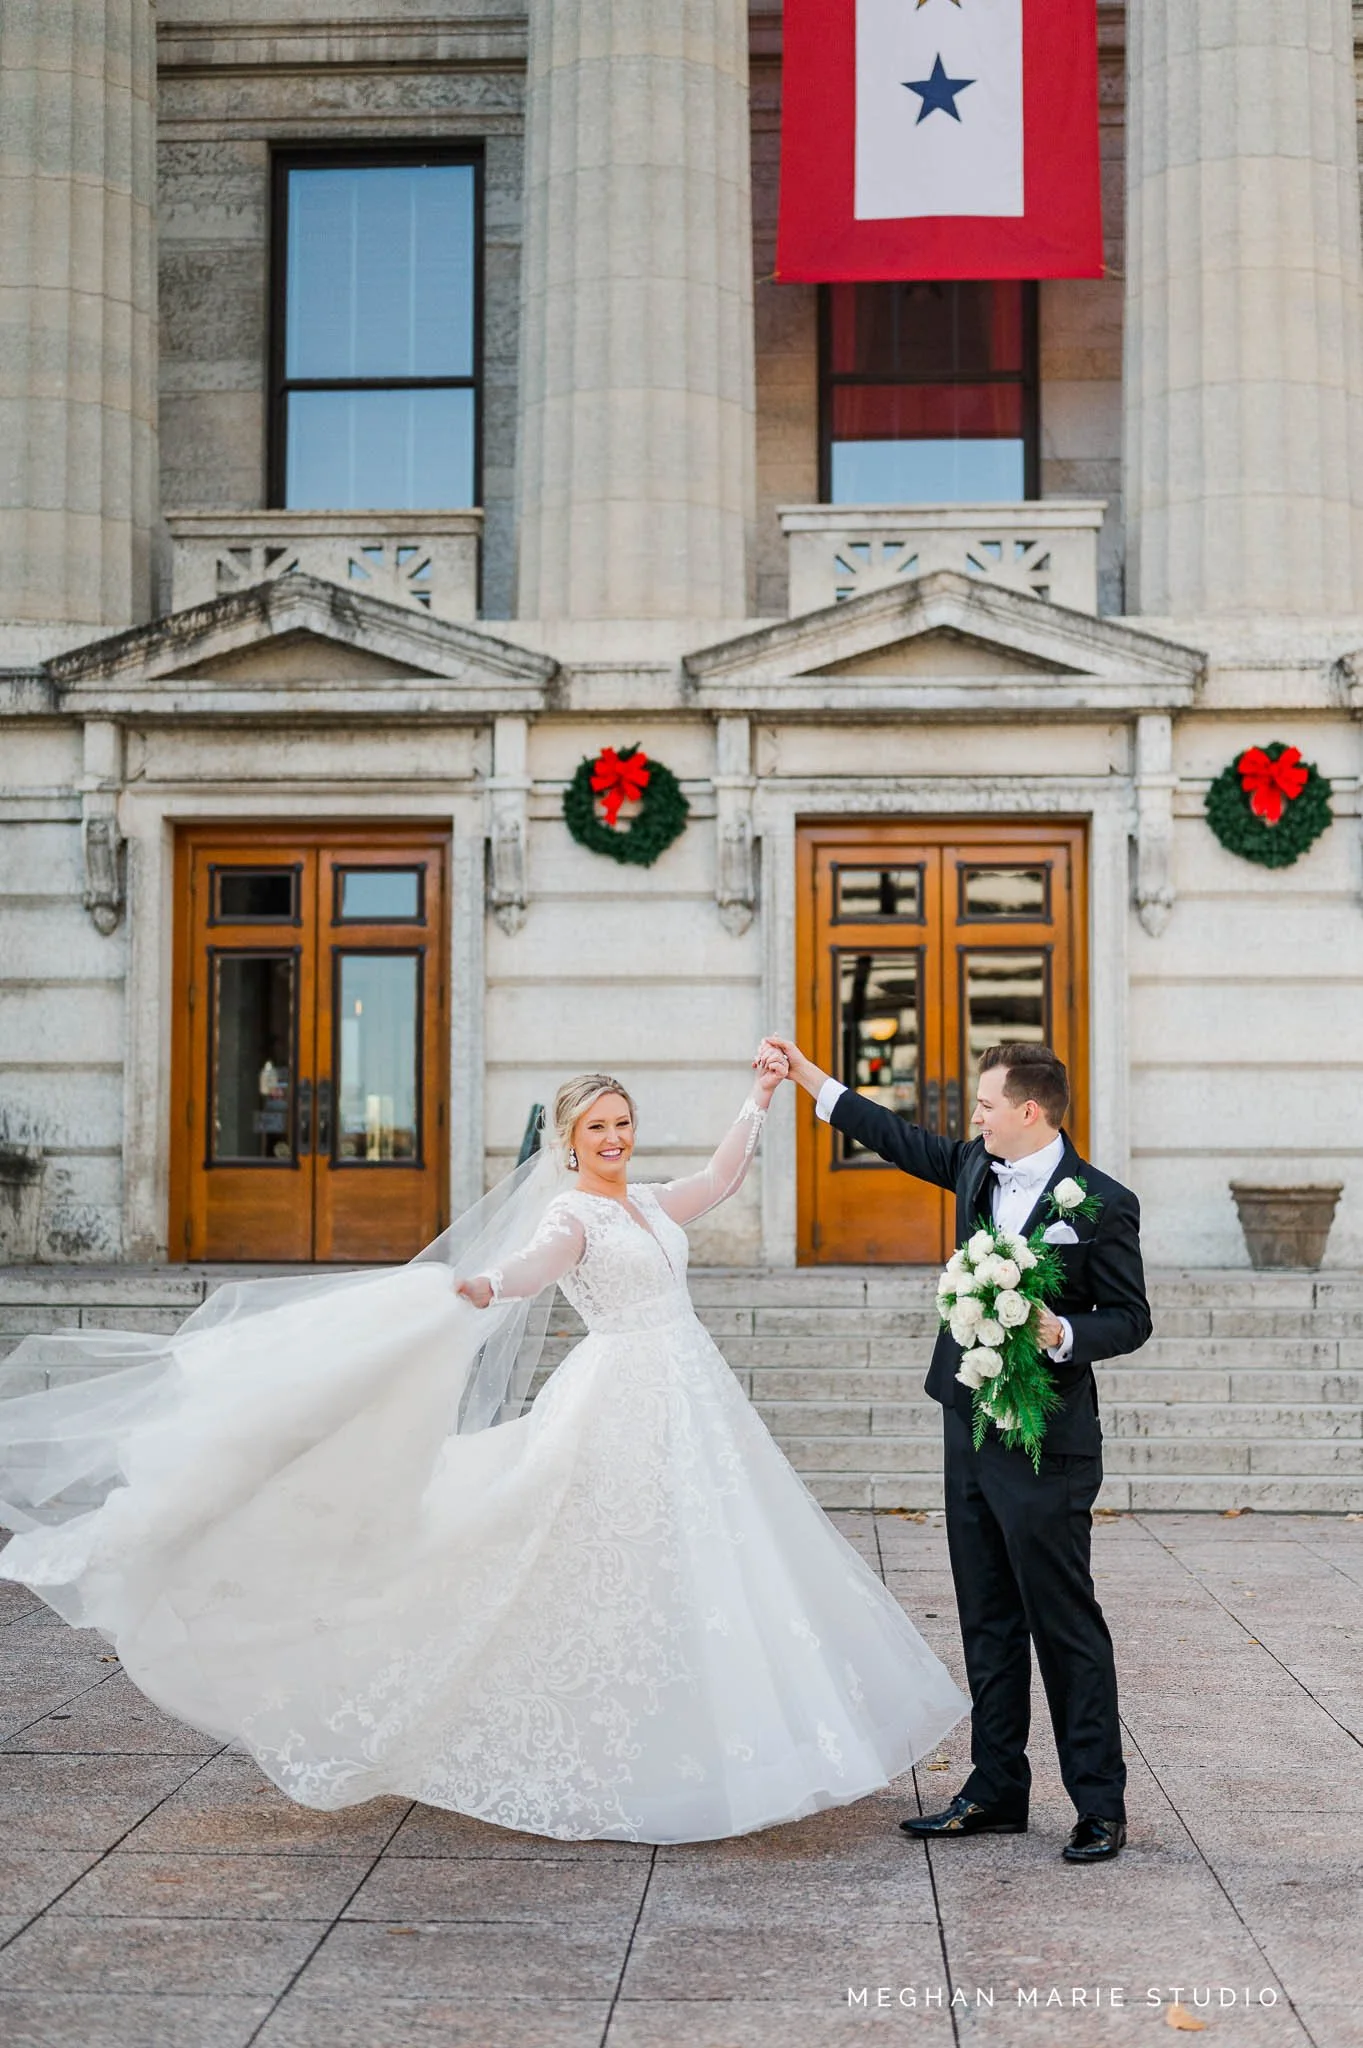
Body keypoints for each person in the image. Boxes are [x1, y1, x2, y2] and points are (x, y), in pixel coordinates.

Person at [0, 1055, 967, 1845]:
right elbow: (538, 1266)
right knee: (595, 1561)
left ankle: (721, 1735)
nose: (616, 1139)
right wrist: (486, 1287)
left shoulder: (648, 1204)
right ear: (568, 1142)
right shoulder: (573, 1213)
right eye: (598, 1129)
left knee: (706, 1555)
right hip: (622, 1390)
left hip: (692, 1395)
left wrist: (758, 1099)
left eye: (623, 1124)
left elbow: (717, 1180)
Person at [760, 1036, 1151, 1863]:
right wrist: (808, 1079)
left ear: (1028, 1111)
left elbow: (1130, 1317)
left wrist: (1062, 1332)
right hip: (966, 1421)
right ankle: (994, 1790)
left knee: (1062, 1620)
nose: (972, 1117)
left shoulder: (1101, 1203)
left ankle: (1099, 1806)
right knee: (985, 1614)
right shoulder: (977, 1166)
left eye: (984, 1105)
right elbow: (899, 1140)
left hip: (1046, 1439)